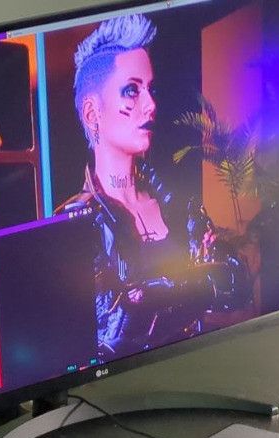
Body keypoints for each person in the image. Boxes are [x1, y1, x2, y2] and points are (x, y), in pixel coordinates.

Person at [58, 13, 247, 359]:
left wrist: (151, 295)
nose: (151, 105)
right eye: (132, 90)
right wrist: (199, 284)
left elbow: (236, 287)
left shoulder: (180, 206)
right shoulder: (72, 222)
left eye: (150, 89)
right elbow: (107, 333)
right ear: (91, 113)